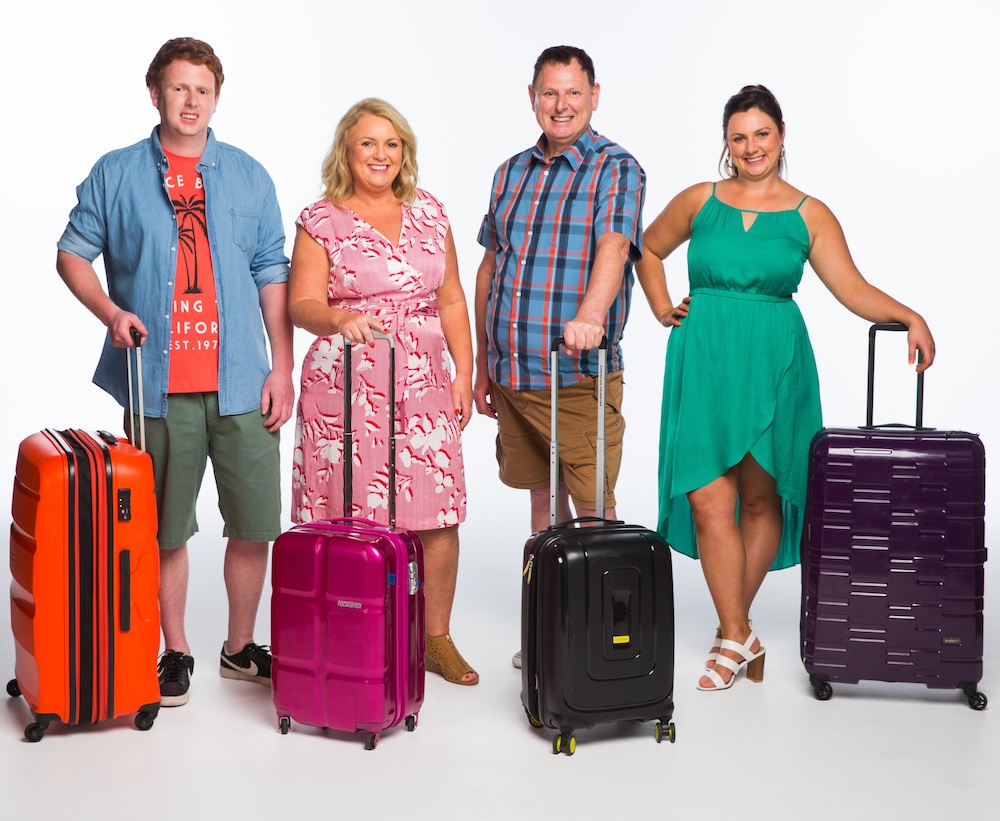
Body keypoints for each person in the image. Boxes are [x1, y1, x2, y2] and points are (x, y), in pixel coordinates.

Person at [635, 84, 935, 692]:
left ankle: (732, 635)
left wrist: (910, 316)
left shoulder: (809, 213)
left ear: (781, 134)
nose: (751, 147)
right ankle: (738, 634)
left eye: (762, 134)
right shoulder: (700, 200)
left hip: (775, 361)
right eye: (739, 137)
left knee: (760, 500)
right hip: (706, 358)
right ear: (727, 142)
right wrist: (662, 307)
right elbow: (647, 248)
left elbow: (852, 288)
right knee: (707, 499)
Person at [56, 38, 293, 707]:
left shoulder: (249, 176)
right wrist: (110, 312)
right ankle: (176, 650)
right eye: (179, 87)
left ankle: (240, 648)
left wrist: (282, 367)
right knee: (163, 531)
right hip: (155, 387)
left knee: (254, 524)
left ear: (217, 97)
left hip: (243, 383)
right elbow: (71, 253)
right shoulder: (116, 173)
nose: (191, 101)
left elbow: (271, 272)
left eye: (203, 90)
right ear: (155, 93)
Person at [288, 98, 478, 686]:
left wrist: (464, 373)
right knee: (346, 514)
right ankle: (349, 637)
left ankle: (435, 639)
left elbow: (451, 297)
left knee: (437, 512)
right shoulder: (320, 220)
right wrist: (337, 319)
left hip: (423, 381)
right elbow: (301, 304)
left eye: (391, 144)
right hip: (346, 388)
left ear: (404, 153)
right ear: (347, 150)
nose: (380, 154)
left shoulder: (430, 212)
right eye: (368, 142)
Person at [473, 44, 645, 669]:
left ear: (594, 96)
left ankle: (605, 646)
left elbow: (614, 245)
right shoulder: (510, 172)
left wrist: (592, 316)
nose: (561, 104)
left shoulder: (615, 167)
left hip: (576, 376)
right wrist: (482, 364)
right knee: (543, 506)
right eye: (550, 92)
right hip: (515, 375)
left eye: (574, 92)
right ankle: (552, 634)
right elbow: (491, 266)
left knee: (595, 511)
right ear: (532, 97)